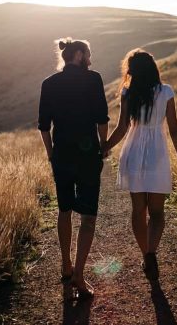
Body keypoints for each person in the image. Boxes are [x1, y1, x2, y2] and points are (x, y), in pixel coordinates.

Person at [103, 48, 177, 281]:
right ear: (153, 68)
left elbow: (122, 128)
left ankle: (145, 255)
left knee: (138, 210)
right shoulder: (167, 92)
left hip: (133, 152)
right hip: (157, 154)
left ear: (132, 71)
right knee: (158, 212)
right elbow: (174, 130)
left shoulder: (128, 92)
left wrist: (105, 147)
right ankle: (151, 253)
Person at [37, 37, 110, 299]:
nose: (90, 60)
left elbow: (44, 126)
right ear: (79, 54)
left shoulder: (49, 83)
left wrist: (51, 155)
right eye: (88, 54)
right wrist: (104, 145)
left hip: (62, 157)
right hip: (88, 156)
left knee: (64, 210)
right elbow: (102, 118)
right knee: (88, 217)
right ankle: (78, 274)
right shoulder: (93, 79)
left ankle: (66, 264)